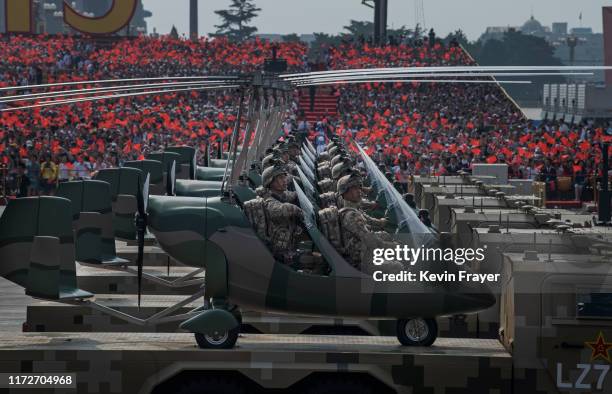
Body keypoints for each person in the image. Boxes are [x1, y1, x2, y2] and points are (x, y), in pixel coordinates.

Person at [336, 173, 396, 273]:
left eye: (359, 188)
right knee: (397, 266)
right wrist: (392, 246)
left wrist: (381, 225)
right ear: (345, 192)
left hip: (364, 254)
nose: (359, 191)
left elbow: (367, 224)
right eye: (354, 189)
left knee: (384, 235)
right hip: (361, 263)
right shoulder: (351, 215)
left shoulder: (353, 210)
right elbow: (370, 240)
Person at [261, 164, 304, 266]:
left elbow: (292, 195)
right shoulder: (268, 201)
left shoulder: (281, 195)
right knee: (315, 260)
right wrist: (298, 210)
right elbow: (280, 209)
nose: (285, 180)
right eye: (280, 178)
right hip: (279, 257)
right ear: (270, 182)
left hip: (289, 250)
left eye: (284, 177)